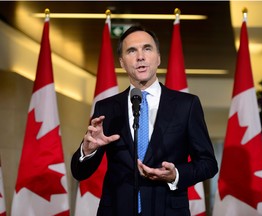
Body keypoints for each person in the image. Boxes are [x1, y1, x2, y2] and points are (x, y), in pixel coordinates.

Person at [71, 25, 218, 216]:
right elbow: (79, 172)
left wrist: (176, 175)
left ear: (158, 58)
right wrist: (88, 150)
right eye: (132, 51)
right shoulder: (106, 108)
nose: (140, 56)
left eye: (147, 49)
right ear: (122, 63)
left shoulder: (186, 105)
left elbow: (208, 164)